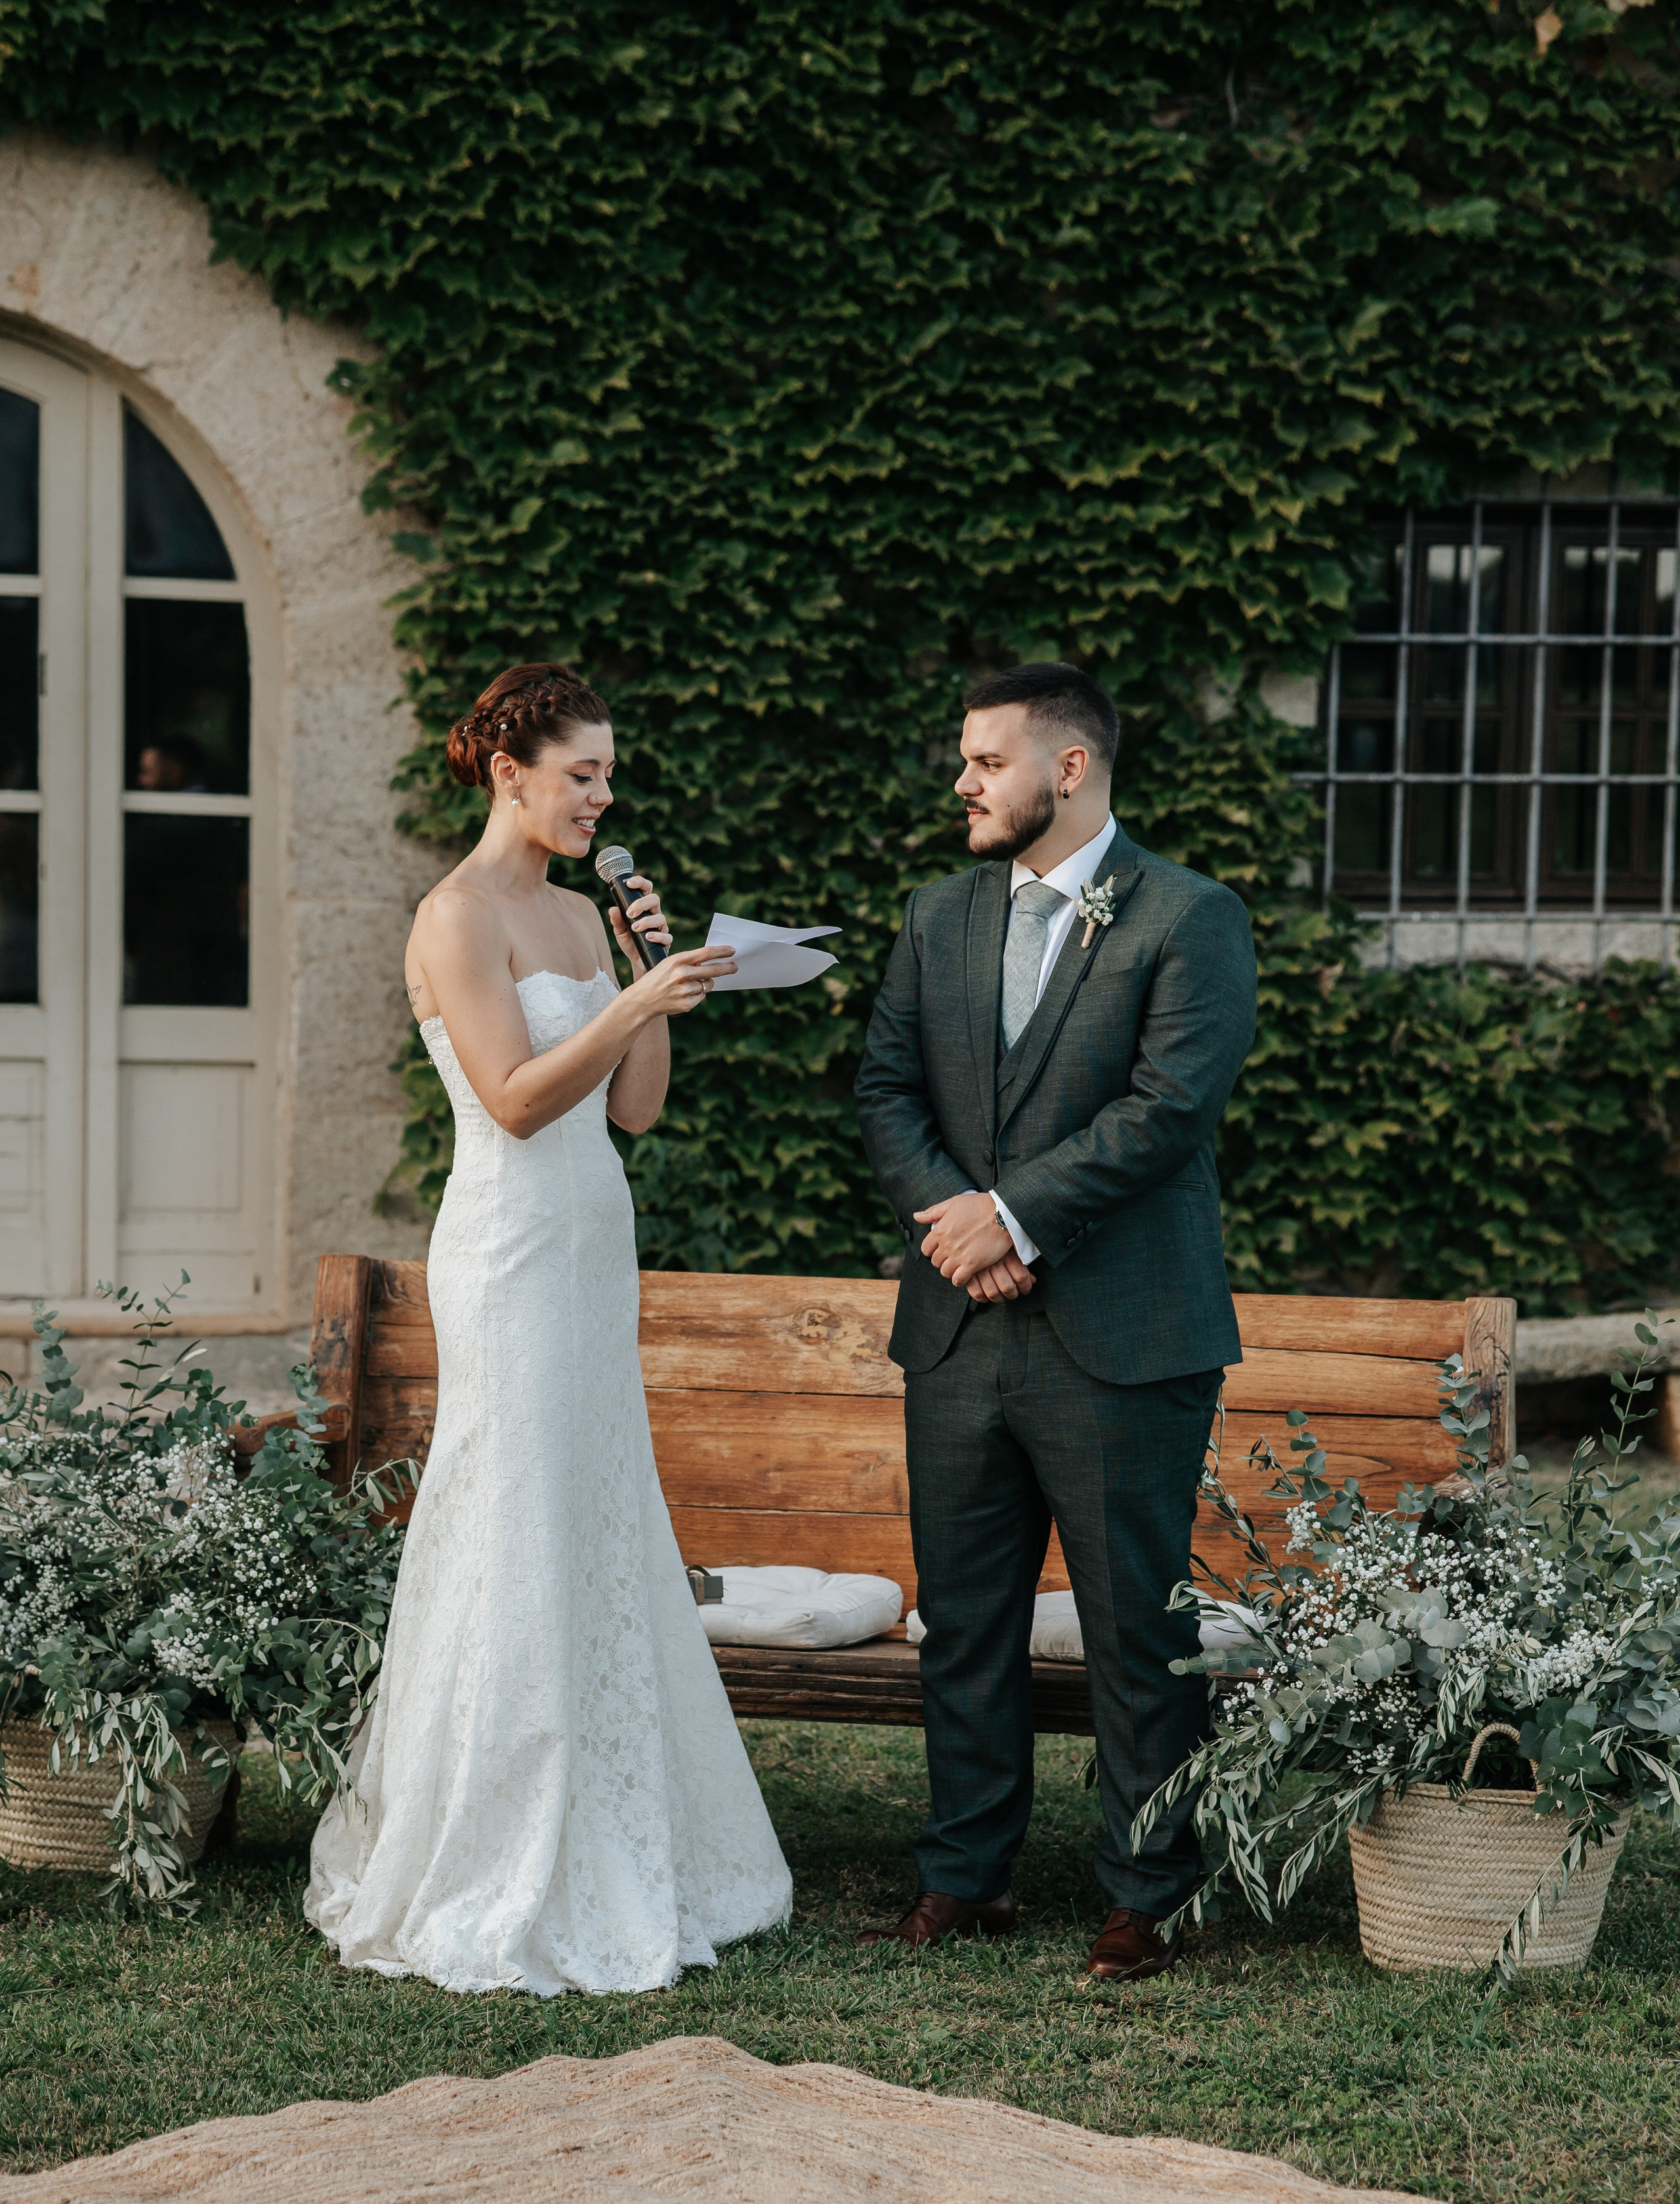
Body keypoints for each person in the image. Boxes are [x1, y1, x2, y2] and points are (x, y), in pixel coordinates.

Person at [306, 662, 792, 1995]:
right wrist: (634, 1004)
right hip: (510, 1247)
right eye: (581, 774)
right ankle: (489, 1840)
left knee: (596, 1505)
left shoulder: (581, 920)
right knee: (511, 1509)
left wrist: (643, 978)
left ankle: (616, 1811)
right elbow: (515, 1101)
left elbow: (629, 1107)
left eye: (608, 775)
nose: (602, 796)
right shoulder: (455, 917)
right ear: (509, 772)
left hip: (593, 1236)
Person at [852, 662, 1257, 1981]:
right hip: (959, 1331)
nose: (961, 783)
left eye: (982, 761)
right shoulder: (937, 917)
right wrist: (958, 1231)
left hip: (1123, 1335)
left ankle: (1149, 1890)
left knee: (1134, 1628)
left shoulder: (1186, 918)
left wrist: (1013, 1219)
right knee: (962, 1623)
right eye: (962, 762)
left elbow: (1167, 1108)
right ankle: (963, 1879)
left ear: (1065, 769)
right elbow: (885, 1088)